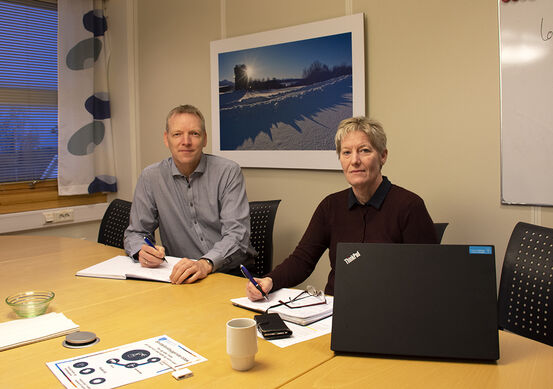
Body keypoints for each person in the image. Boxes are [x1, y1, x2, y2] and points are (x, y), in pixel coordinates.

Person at [246, 116, 437, 300]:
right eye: (346, 152)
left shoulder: (409, 206)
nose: (354, 160)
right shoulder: (330, 206)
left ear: (383, 156)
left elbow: (427, 275)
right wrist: (269, 280)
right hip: (335, 310)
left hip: (389, 311)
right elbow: (303, 259)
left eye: (364, 150)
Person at [124, 104, 254, 284]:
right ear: (166, 139)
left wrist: (205, 263)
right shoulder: (150, 177)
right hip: (181, 275)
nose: (186, 141)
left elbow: (237, 235)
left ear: (205, 139)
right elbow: (136, 233)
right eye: (177, 134)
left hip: (230, 272)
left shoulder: (228, 172)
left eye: (194, 133)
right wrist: (141, 250)